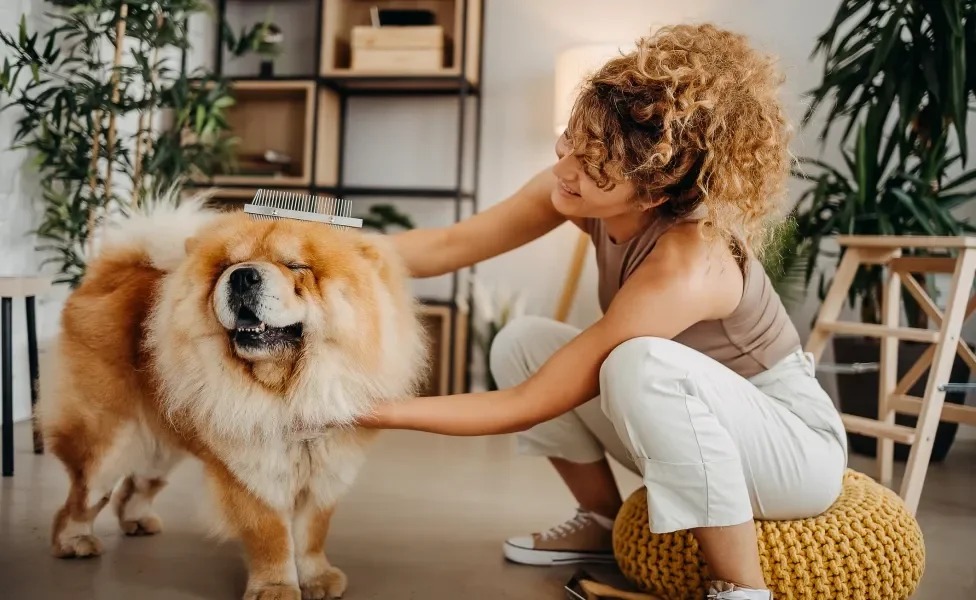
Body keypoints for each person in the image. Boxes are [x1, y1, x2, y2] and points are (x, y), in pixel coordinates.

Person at [360, 23, 848, 600]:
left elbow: (525, 404)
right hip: (691, 417)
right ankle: (598, 525)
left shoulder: (688, 263)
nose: (567, 168)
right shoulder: (574, 187)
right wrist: (322, 248)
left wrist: (368, 410)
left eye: (596, 167)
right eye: (572, 140)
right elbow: (448, 247)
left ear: (654, 193)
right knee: (520, 340)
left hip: (794, 447)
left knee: (636, 362)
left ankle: (741, 589)